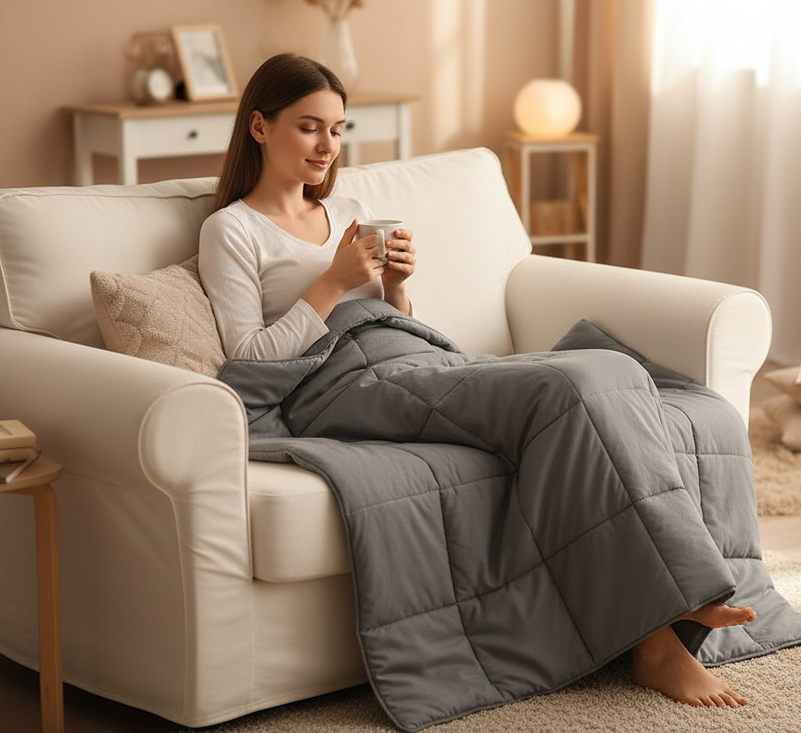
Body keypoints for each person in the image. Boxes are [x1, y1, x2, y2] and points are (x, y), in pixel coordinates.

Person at [199, 53, 758, 711]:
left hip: (410, 358)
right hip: (338, 388)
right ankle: (661, 635)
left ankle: (675, 604)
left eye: (339, 129)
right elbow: (251, 359)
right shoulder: (230, 230)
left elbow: (394, 323)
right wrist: (333, 283)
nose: (329, 146)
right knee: (571, 382)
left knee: (609, 371)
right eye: (309, 127)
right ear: (260, 127)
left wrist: (397, 285)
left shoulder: (348, 206)